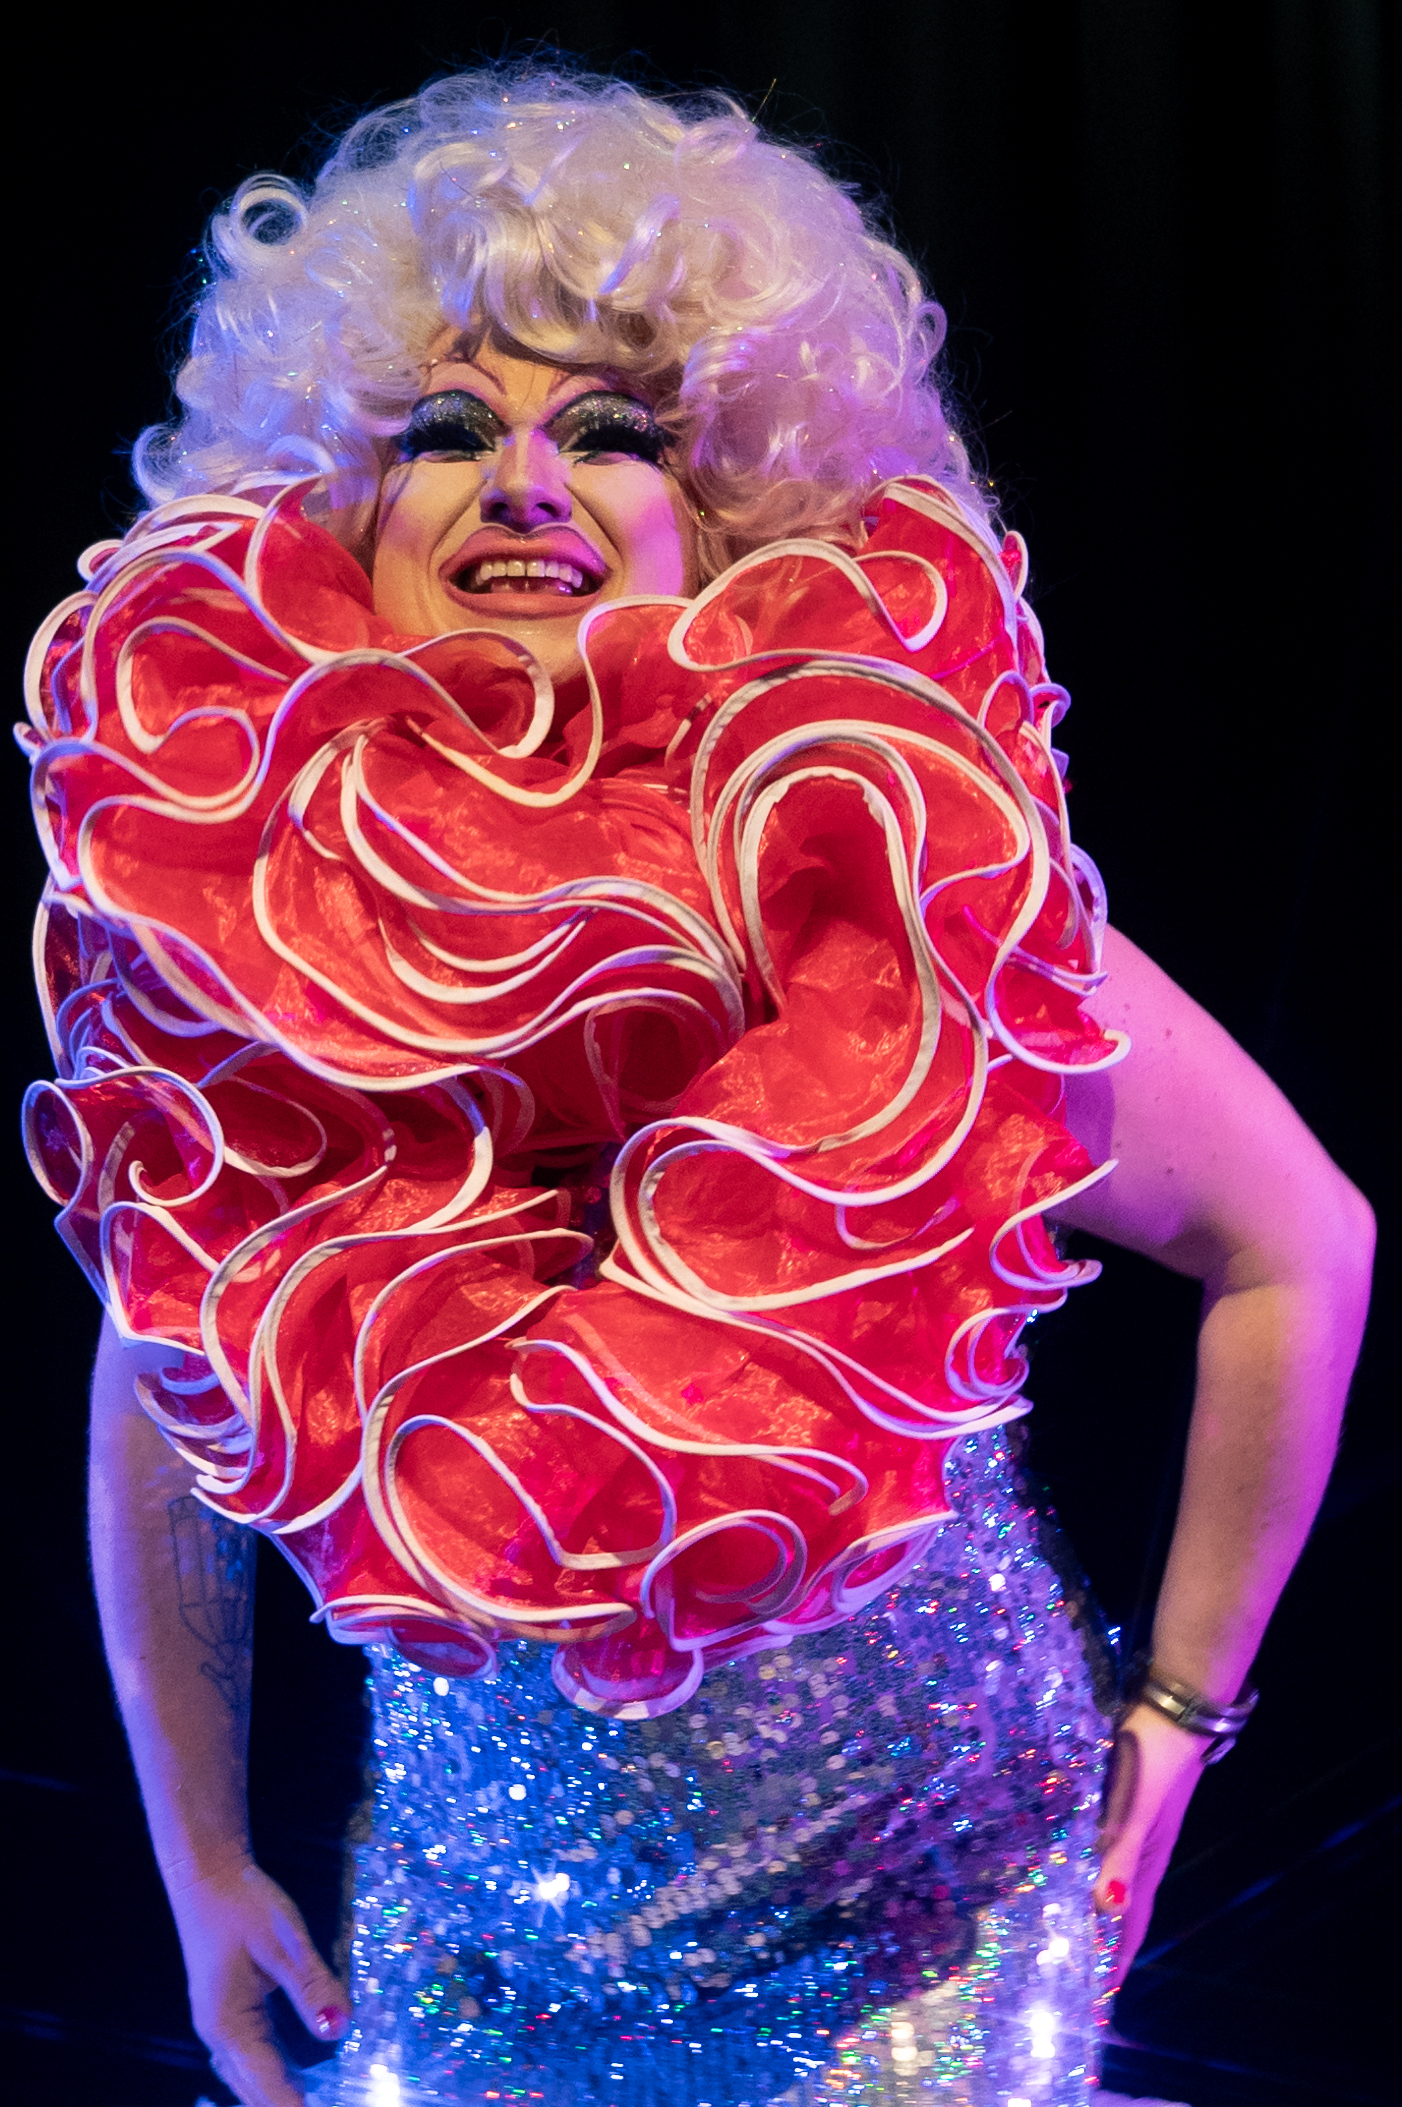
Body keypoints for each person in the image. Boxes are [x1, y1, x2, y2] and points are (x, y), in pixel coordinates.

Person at [21, 68, 1372, 2107]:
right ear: (338, 512)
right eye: (448, 431)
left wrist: (1177, 1718)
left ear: (731, 505)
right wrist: (196, 1858)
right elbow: (162, 1388)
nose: (523, 480)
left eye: (614, 432)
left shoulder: (892, 883)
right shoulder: (254, 963)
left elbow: (1300, 1240)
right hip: (469, 1968)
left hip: (920, 1952)